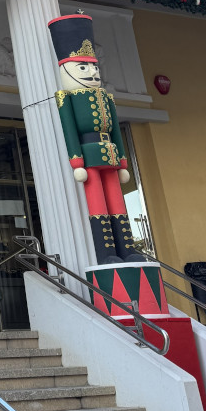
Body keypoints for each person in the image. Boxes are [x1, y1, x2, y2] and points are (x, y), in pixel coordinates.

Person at [48, 14, 144, 264]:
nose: (92, 72)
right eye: (83, 67)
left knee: (117, 202)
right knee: (97, 204)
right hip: (89, 156)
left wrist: (123, 162)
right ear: (66, 69)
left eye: (94, 67)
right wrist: (77, 162)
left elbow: (115, 133)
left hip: (109, 154)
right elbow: (70, 132)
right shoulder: (66, 99)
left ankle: (127, 248)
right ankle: (106, 252)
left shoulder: (107, 98)